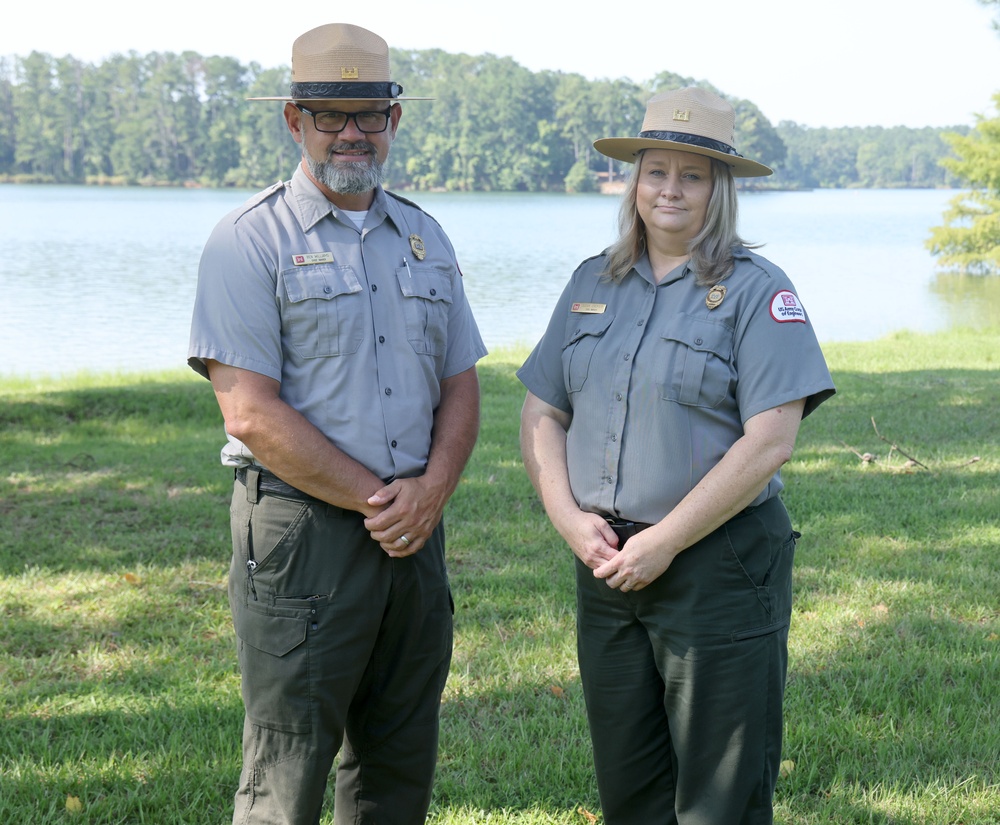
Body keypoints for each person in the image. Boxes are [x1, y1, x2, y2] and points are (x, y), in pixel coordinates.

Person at [188, 23, 487, 825]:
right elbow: (249, 411)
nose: (351, 131)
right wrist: (383, 500)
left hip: (414, 538)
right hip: (301, 535)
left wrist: (431, 493)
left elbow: (461, 384)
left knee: (397, 763)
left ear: (395, 121)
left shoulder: (429, 237)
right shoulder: (249, 242)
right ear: (295, 121)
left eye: (368, 113)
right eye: (330, 114)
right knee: (287, 768)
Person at [517, 87, 836, 824]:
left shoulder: (759, 292)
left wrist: (666, 539)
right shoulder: (591, 282)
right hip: (607, 567)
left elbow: (771, 439)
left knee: (720, 797)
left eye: (691, 175)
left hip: (717, 566)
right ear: (634, 181)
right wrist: (568, 517)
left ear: (718, 189)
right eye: (655, 169)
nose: (669, 188)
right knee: (628, 787)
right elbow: (542, 409)